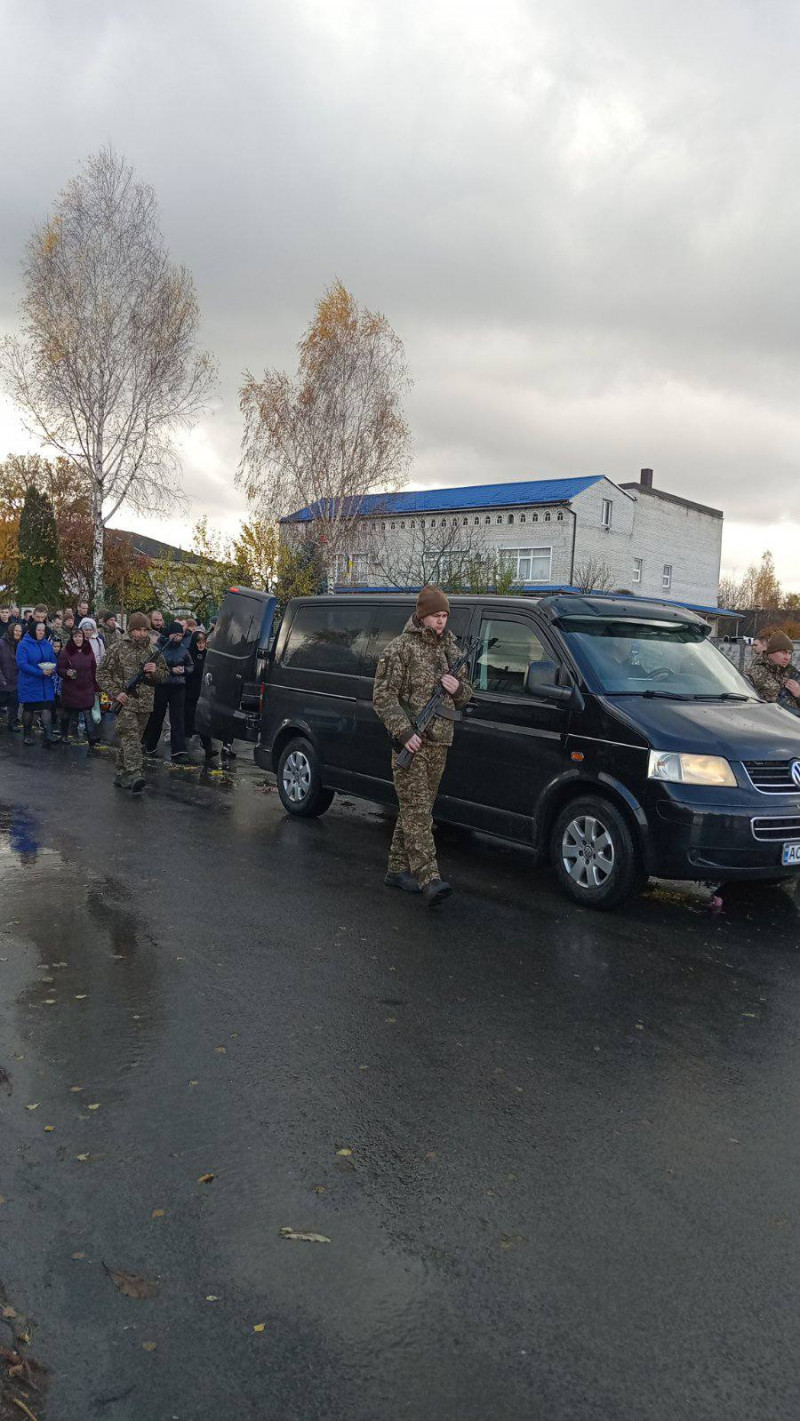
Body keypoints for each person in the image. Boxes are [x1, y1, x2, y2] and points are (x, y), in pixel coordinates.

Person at [372, 586, 473, 906]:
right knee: (418, 813)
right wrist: (403, 732)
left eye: (445, 615)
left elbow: (467, 695)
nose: (441, 622)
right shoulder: (400, 649)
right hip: (412, 745)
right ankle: (429, 877)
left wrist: (457, 688)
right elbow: (383, 696)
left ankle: (397, 869)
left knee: (418, 810)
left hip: (440, 742)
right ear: (421, 614)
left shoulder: (453, 652)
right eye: (435, 615)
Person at [97, 612, 168, 793]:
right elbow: (101, 673)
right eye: (138, 630)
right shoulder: (117, 648)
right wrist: (116, 692)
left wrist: (155, 672)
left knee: (133, 739)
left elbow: (164, 675)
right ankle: (135, 773)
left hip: (145, 703)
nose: (142, 634)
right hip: (125, 702)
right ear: (130, 630)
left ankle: (121, 773)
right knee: (130, 737)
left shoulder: (153, 651)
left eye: (145, 630)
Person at [143, 620, 194, 763]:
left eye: (180, 635)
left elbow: (191, 666)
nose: (177, 637)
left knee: (177, 718)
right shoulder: (159, 647)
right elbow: (153, 667)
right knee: (157, 716)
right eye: (175, 634)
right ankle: (150, 746)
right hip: (162, 684)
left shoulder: (184, 649)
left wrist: (184, 670)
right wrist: (171, 670)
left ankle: (178, 751)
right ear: (169, 634)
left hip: (178, 686)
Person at [17, 619, 57, 746]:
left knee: (46, 708)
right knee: (29, 709)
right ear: (33, 631)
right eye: (39, 630)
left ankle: (49, 735)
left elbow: (53, 659)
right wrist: (39, 672)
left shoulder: (47, 644)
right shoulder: (23, 644)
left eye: (43, 630)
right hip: (29, 682)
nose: (41, 632)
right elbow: (22, 664)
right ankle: (27, 735)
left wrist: (52, 669)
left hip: (45, 683)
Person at [57, 627, 100, 747]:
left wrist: (96, 687)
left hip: (86, 686)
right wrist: (67, 673)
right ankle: (64, 735)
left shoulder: (88, 649)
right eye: (75, 636)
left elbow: (94, 668)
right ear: (72, 638)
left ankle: (92, 737)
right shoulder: (66, 651)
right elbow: (59, 669)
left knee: (87, 711)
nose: (78, 639)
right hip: (71, 688)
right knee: (67, 712)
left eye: (80, 636)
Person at [184, 629, 218, 763]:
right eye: (198, 642)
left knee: (203, 720)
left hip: (203, 692)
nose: (201, 645)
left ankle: (208, 747)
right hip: (189, 691)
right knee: (188, 719)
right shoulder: (189, 653)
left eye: (203, 642)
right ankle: (184, 748)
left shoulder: (207, 655)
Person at [748, 631, 800, 712]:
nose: (787, 657)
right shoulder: (755, 672)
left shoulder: (793, 674)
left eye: (789, 653)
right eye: (783, 652)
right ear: (771, 653)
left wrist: (798, 694)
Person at [0, 621, 22, 730]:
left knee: (14, 704)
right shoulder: (1, 643)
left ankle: (12, 723)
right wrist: (2, 679)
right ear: (11, 630)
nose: (18, 633)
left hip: (15, 680)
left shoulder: (20, 644)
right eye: (16, 630)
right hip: (3, 680)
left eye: (20, 631)